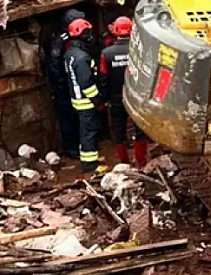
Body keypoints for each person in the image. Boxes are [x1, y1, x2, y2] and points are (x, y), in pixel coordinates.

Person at [99, 16, 151, 168]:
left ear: (115, 31)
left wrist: (104, 98)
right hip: (137, 98)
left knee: (118, 131)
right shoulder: (141, 50)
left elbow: (103, 78)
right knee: (140, 129)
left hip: (116, 98)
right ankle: (141, 163)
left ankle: (124, 164)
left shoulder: (106, 54)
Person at [64, 18, 104, 172]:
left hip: (78, 99)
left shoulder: (71, 53)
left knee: (86, 130)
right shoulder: (81, 58)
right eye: (88, 32)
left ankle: (90, 156)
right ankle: (90, 164)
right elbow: (86, 82)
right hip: (86, 101)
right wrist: (97, 100)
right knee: (89, 131)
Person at [43, 8, 85, 159]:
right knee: (66, 117)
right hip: (63, 87)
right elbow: (54, 65)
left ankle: (82, 144)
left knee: (79, 116)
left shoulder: (75, 37)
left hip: (74, 84)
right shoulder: (59, 40)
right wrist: (62, 84)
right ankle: (71, 148)